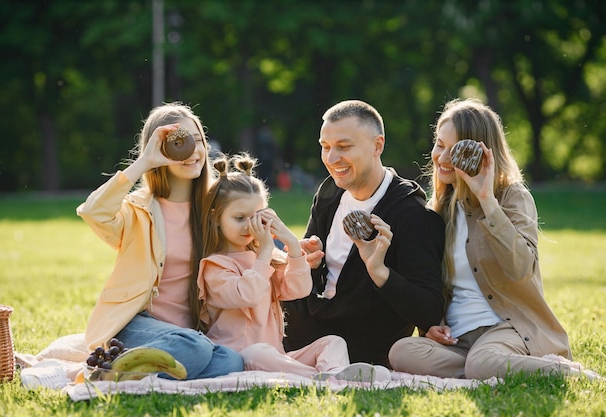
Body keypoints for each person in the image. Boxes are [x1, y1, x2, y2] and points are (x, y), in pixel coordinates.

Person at [389, 98, 600, 380]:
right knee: (400, 352)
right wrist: (434, 324)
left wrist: (487, 200)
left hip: (507, 328)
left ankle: (564, 372)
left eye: (456, 149)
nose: (442, 157)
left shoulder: (511, 197)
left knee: (483, 361)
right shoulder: (437, 211)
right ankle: (486, 368)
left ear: (479, 152)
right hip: (459, 341)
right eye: (440, 145)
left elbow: (521, 269)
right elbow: (433, 282)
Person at [76, 102, 244, 379]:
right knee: (196, 348)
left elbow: (249, 243)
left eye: (197, 139)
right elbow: (94, 212)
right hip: (135, 324)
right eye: (178, 142)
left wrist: (295, 254)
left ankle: (121, 372)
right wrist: (144, 163)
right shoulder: (137, 210)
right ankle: (126, 365)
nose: (192, 150)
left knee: (231, 361)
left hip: (188, 332)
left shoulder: (215, 208)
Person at [196, 153, 390, 382]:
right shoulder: (213, 266)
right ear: (215, 218)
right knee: (259, 352)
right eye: (239, 218)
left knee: (333, 341)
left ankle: (334, 373)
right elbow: (247, 294)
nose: (250, 226)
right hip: (239, 356)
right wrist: (267, 250)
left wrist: (291, 244)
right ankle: (329, 378)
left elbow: (299, 289)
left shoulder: (263, 257)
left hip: (277, 357)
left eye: (257, 217)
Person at [282, 100, 446, 368]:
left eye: (344, 147)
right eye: (325, 147)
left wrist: (379, 272)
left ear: (377, 146)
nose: (332, 159)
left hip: (358, 347)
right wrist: (306, 261)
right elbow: (313, 278)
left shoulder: (411, 215)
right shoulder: (329, 192)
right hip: (305, 327)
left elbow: (429, 310)